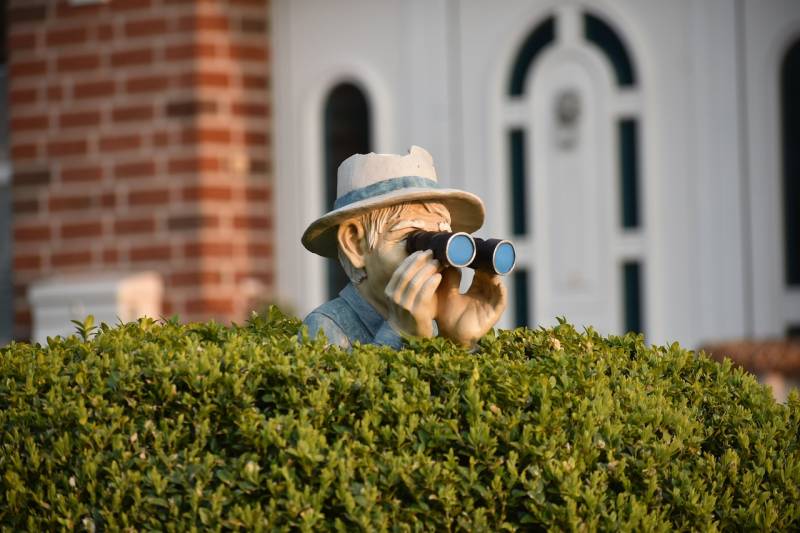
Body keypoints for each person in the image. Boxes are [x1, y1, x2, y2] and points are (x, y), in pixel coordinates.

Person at [300, 146, 507, 349]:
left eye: (443, 238)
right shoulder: (326, 327)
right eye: (412, 239)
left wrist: (459, 342)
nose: (437, 259)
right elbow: (359, 384)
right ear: (354, 244)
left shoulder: (434, 322)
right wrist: (401, 333)